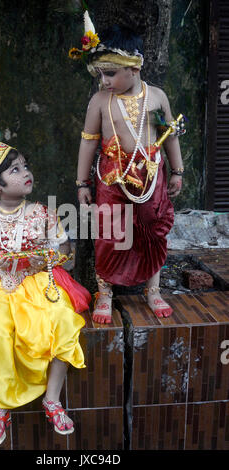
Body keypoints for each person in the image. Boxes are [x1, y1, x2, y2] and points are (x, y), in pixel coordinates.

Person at [0, 138, 91, 447]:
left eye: (25, 166)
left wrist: (49, 258)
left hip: (38, 283)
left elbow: (64, 250)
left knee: (62, 321)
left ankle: (52, 400)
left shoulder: (43, 214)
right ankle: (0, 408)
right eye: (15, 170)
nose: (26, 173)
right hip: (0, 287)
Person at [71, 13, 185, 323]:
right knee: (109, 234)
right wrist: (82, 184)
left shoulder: (157, 98)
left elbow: (170, 135)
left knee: (152, 232)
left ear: (134, 68)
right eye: (101, 75)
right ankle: (104, 293)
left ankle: (153, 289)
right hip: (112, 179)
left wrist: (178, 170)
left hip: (151, 179)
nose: (104, 81)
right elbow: (88, 142)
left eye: (110, 73)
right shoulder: (99, 101)